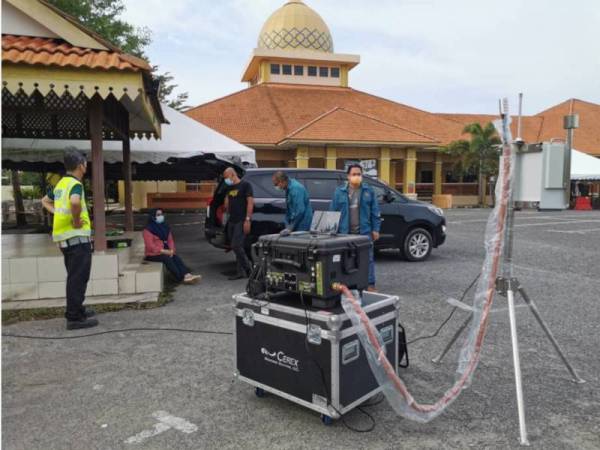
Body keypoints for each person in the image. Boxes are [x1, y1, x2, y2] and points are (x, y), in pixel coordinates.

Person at [41, 149, 97, 330]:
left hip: (64, 240)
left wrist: (57, 212)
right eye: (85, 163)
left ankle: (78, 310)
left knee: (74, 277)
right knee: (78, 278)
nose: (86, 166)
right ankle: (74, 317)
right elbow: (74, 202)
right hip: (77, 239)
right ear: (81, 165)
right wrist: (75, 220)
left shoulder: (61, 184)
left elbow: (44, 201)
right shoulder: (75, 185)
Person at [330, 164, 381, 291]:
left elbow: (375, 212)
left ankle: (370, 284)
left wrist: (376, 229)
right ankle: (348, 284)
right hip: (344, 233)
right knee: (345, 259)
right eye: (354, 174)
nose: (357, 177)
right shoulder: (339, 192)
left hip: (364, 232)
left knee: (367, 259)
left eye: (359, 174)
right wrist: (331, 231)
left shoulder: (368, 191)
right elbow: (333, 212)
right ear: (348, 176)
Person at [143, 209, 202, 284]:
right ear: (152, 217)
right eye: (158, 215)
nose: (161, 216)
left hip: (166, 251)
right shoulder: (147, 230)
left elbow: (170, 240)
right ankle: (180, 278)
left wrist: (171, 250)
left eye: (161, 214)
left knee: (176, 258)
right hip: (152, 254)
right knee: (167, 259)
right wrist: (164, 251)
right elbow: (150, 246)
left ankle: (187, 275)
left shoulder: (165, 227)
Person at [223, 167, 254, 280]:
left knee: (236, 245)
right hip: (232, 220)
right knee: (235, 246)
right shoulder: (229, 187)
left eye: (226, 177)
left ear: (232, 175)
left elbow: (250, 203)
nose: (226, 180)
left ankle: (249, 270)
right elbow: (227, 204)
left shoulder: (245, 185)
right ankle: (240, 272)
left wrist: (247, 220)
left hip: (241, 220)